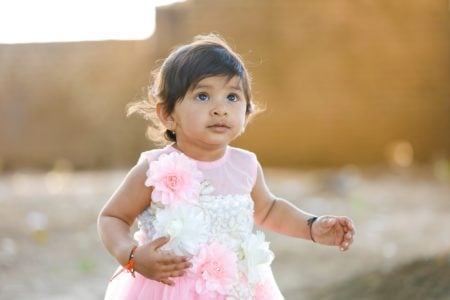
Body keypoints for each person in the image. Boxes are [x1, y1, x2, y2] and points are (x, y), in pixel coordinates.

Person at [97, 33, 356, 300]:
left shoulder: (245, 165)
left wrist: (312, 226)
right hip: (171, 290)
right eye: (202, 96)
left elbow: (268, 210)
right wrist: (131, 256)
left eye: (232, 97)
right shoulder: (155, 168)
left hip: (236, 289)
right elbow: (112, 218)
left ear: (247, 114)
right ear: (168, 115)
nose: (220, 108)